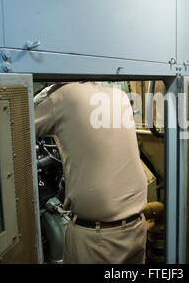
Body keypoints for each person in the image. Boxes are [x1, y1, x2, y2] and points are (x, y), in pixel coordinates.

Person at [34, 82, 147, 264]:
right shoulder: (119, 95)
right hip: (136, 226)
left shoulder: (63, 96)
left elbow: (19, 120)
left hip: (98, 239)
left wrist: (49, 90)